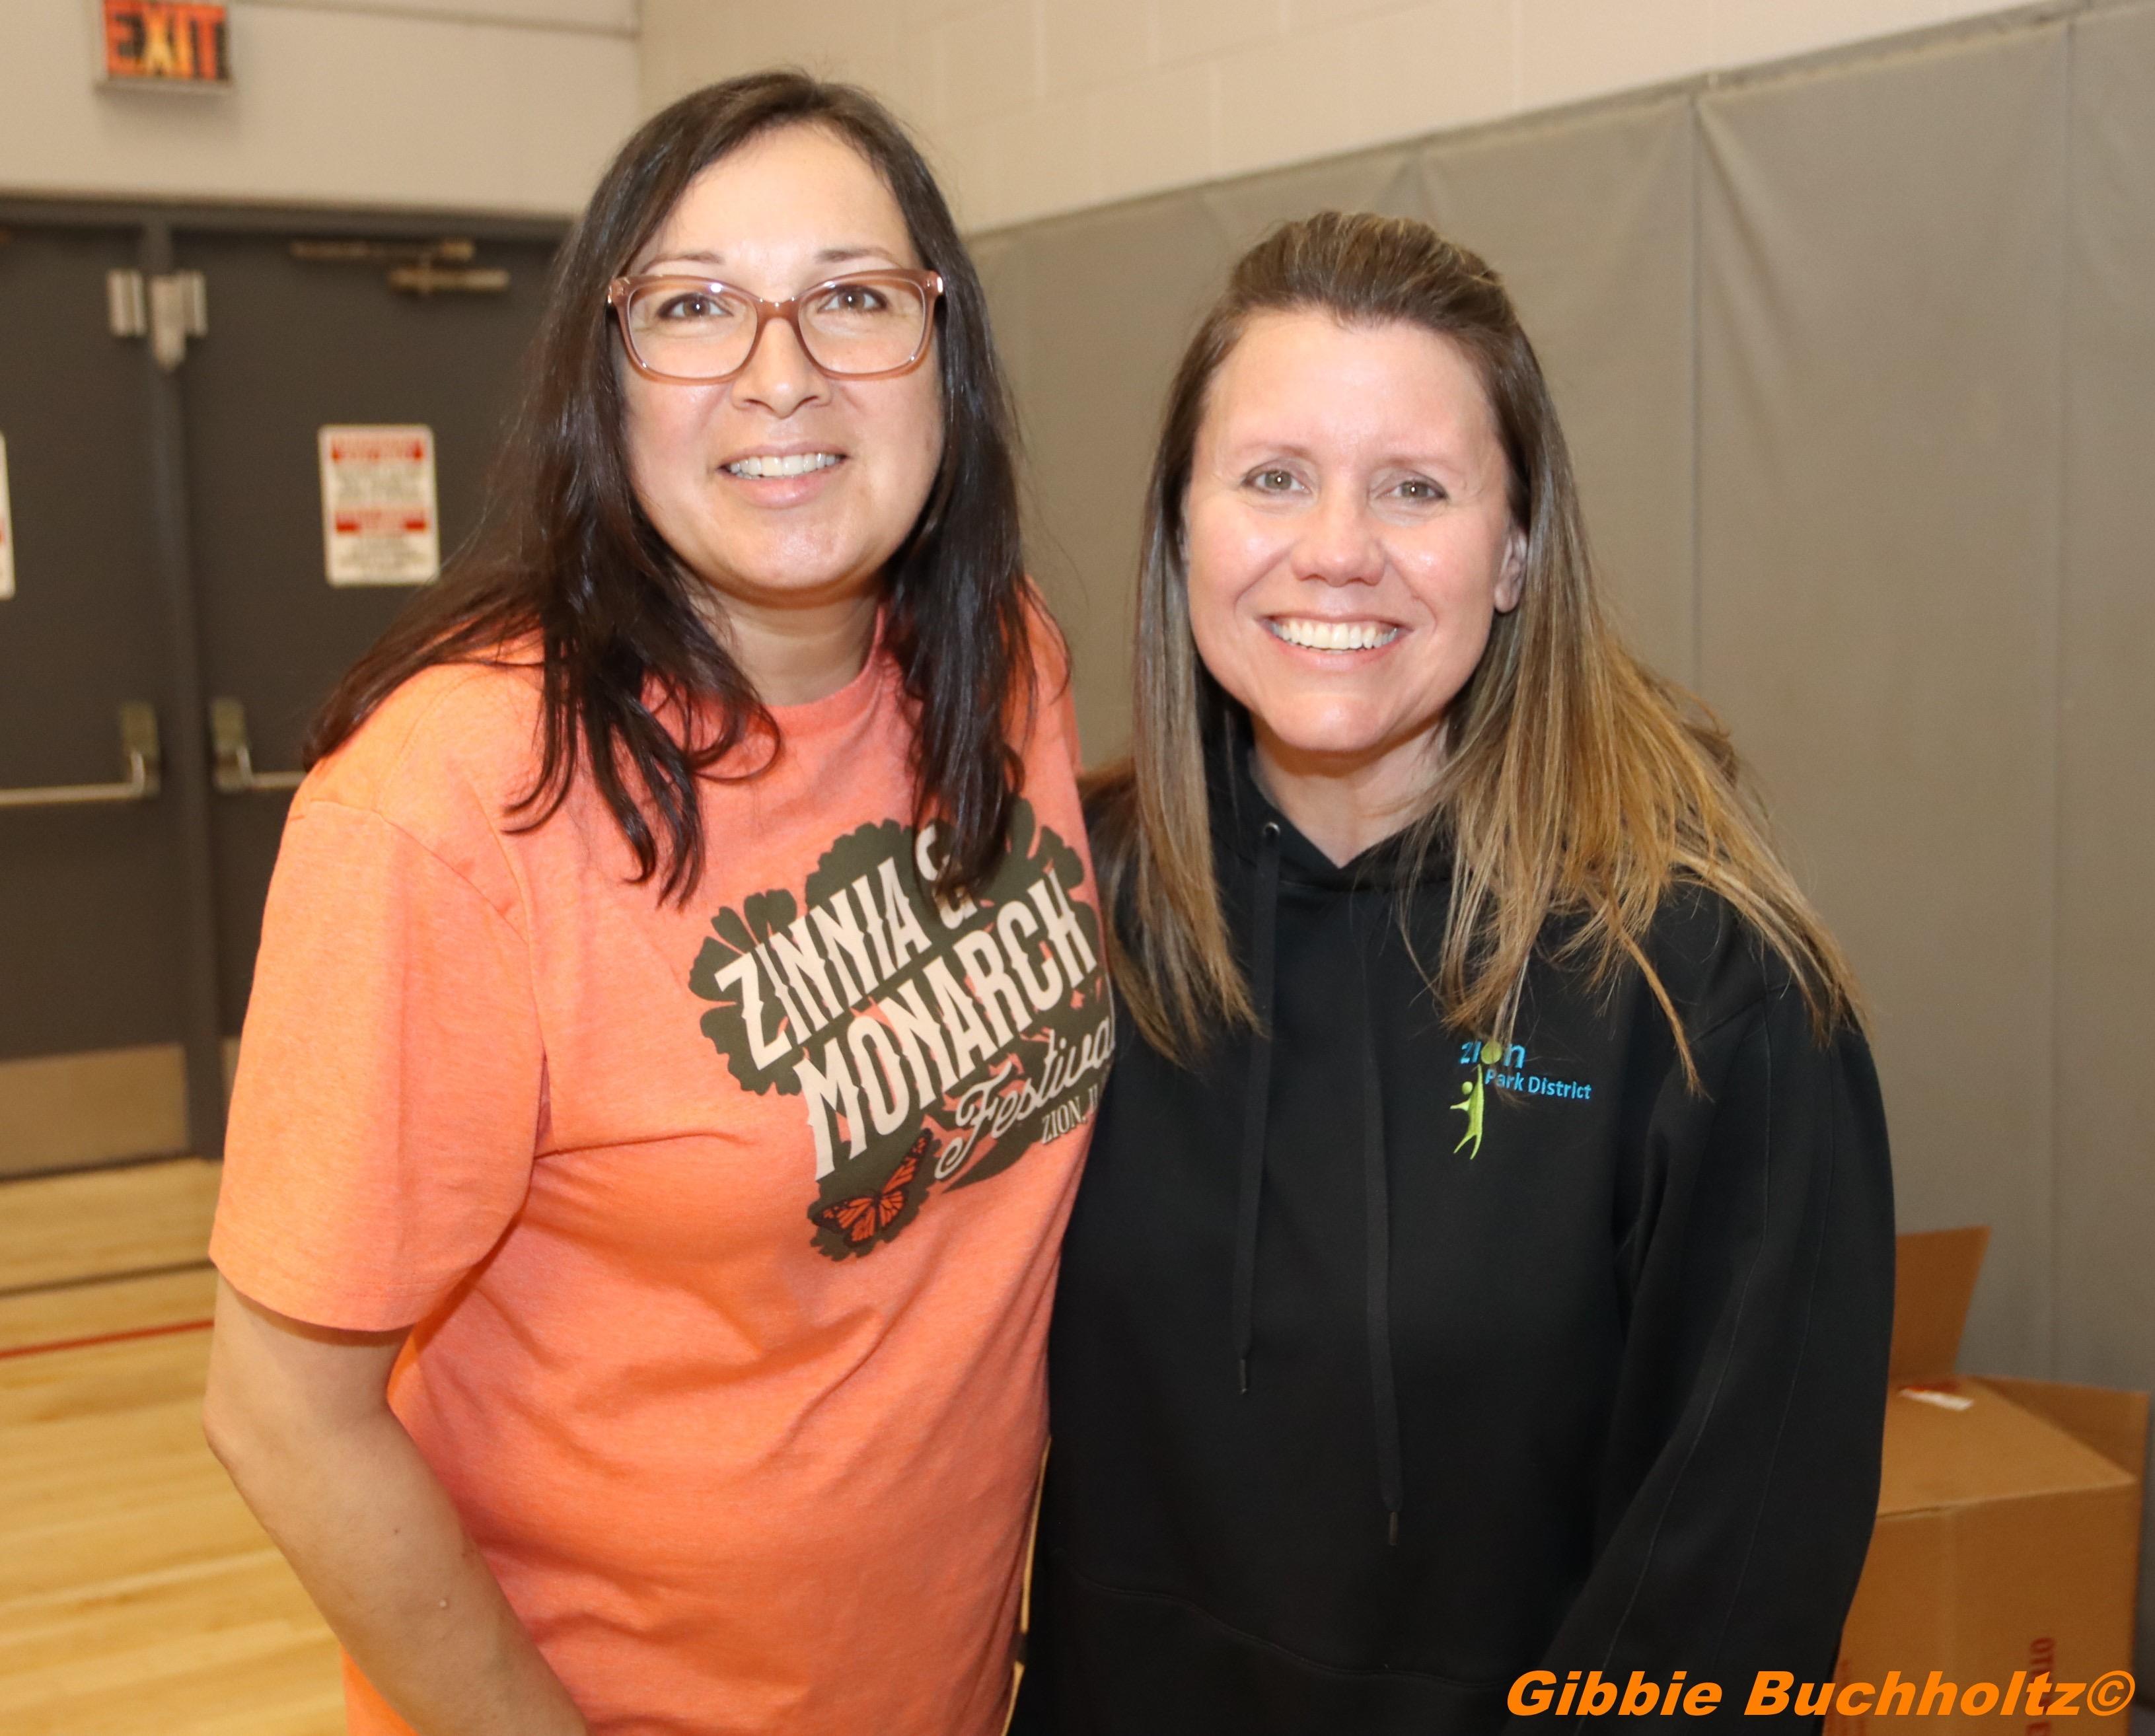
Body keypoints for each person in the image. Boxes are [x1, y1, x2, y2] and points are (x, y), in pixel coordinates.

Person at [202, 73, 1112, 1736]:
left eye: (852, 297)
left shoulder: (1005, 666)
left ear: (945, 353)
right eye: (693, 307)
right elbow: (279, 1412)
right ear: (603, 378)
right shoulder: (446, 805)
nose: (782, 371)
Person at [1013, 212, 1893, 1733]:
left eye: (1413, 487)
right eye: (1271, 477)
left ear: (1514, 553)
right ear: (1180, 527)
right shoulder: (1062, 912)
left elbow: (1731, 1591)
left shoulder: (1704, 993)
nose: (1334, 549)